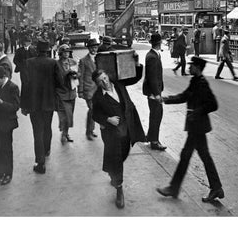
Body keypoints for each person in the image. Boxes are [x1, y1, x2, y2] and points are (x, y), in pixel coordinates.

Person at [156, 56, 224, 203]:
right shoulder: (195, 81)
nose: (189, 67)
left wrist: (197, 112)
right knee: (201, 157)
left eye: (192, 65)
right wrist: (165, 99)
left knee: (187, 156)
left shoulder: (202, 84)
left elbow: (213, 104)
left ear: (198, 68)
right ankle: (216, 188)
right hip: (195, 126)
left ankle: (174, 188)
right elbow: (184, 96)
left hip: (198, 127)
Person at [92, 57, 146, 209]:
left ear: (108, 76)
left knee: (123, 154)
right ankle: (119, 190)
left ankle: (113, 171)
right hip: (112, 133)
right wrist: (107, 119)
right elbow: (94, 115)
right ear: (97, 84)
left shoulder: (119, 84)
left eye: (105, 78)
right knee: (116, 159)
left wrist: (137, 64)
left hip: (127, 127)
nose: (105, 82)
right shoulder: (98, 97)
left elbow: (135, 78)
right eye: (100, 81)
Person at [20, 39, 63, 174]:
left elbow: (25, 85)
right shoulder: (53, 63)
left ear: (36, 50)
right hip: (49, 103)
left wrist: (24, 105)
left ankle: (40, 163)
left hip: (34, 104)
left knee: (37, 132)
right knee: (47, 126)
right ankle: (47, 150)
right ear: (47, 51)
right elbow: (60, 83)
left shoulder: (28, 63)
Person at [142, 32, 167, 151]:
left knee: (155, 115)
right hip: (153, 93)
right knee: (156, 116)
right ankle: (154, 141)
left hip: (154, 91)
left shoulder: (153, 54)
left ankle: (150, 137)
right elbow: (152, 78)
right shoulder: (152, 57)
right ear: (160, 43)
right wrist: (157, 94)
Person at [56, 44, 79, 143]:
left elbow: (79, 73)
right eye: (64, 52)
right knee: (64, 116)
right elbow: (55, 78)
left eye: (68, 52)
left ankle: (66, 132)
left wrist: (76, 75)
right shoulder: (56, 64)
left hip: (72, 93)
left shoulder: (73, 62)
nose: (66, 54)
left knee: (70, 115)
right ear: (60, 53)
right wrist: (67, 74)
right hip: (61, 93)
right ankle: (64, 133)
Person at [77, 38, 99, 140]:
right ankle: (88, 132)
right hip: (88, 89)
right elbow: (80, 77)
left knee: (95, 110)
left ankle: (91, 130)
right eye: (92, 47)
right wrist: (80, 91)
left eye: (95, 47)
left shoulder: (100, 58)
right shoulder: (83, 61)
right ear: (89, 48)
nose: (94, 49)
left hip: (98, 89)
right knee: (92, 110)